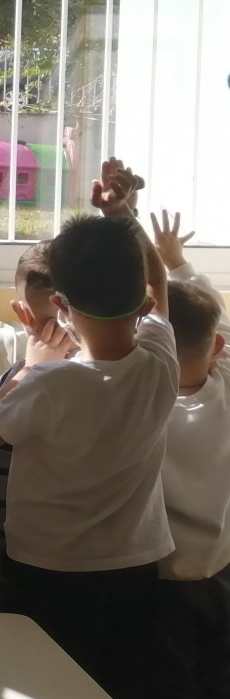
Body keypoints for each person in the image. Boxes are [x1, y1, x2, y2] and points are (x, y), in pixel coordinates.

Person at [0, 165, 179, 699]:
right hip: (134, 567)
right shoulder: (162, 364)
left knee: (42, 683)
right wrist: (122, 215)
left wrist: (29, 364)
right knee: (116, 682)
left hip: (46, 570)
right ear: (145, 307)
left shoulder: (47, 383)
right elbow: (159, 280)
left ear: (61, 308)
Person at [152, 210, 230, 699]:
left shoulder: (141, 404)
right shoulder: (226, 383)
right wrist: (177, 263)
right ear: (216, 346)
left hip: (161, 577)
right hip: (220, 567)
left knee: (169, 679)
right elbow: (218, 320)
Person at [0, 238, 55, 614]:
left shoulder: (90, 384)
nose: (55, 334)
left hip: (62, 556)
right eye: (45, 323)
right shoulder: (9, 384)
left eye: (62, 322)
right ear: (23, 315)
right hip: (6, 556)